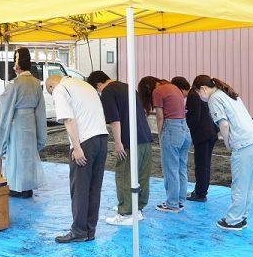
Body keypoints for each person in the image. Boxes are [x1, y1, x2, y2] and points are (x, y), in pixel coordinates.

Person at [192, 75, 253, 231]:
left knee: (239, 184)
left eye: (198, 93)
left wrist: (227, 143)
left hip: (243, 144)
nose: (200, 97)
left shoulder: (214, 99)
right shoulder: (228, 93)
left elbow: (223, 125)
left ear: (203, 89)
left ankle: (233, 220)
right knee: (248, 184)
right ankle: (242, 216)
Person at [46, 73, 108, 243]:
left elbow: (68, 120)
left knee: (80, 188)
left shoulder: (59, 89)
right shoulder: (85, 85)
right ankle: (90, 230)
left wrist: (77, 147)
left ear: (51, 86)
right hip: (102, 138)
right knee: (94, 188)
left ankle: (79, 231)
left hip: (85, 141)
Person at [86, 71, 153, 226]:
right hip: (145, 138)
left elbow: (115, 120)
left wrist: (118, 142)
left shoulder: (108, 92)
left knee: (124, 175)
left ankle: (126, 212)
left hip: (129, 140)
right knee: (141, 174)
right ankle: (138, 208)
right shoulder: (128, 87)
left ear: (98, 85)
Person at [0, 48, 47, 198]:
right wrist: (41, 133)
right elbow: (41, 109)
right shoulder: (37, 83)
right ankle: (28, 188)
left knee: (16, 155)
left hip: (18, 123)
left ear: (17, 64)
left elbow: (5, 106)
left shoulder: (15, 84)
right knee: (29, 155)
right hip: (31, 122)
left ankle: (17, 187)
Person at [138, 76, 191, 213]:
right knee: (181, 167)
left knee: (170, 168)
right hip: (184, 128)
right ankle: (179, 200)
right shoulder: (174, 88)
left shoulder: (158, 91)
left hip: (172, 129)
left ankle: (172, 204)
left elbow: (160, 117)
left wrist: (160, 136)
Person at [170, 76, 218, 202]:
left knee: (201, 164)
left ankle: (200, 193)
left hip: (202, 134)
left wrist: (186, 129)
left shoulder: (193, 95)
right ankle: (202, 190)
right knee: (206, 164)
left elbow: (194, 118)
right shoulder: (204, 95)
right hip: (211, 132)